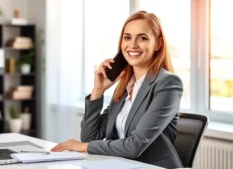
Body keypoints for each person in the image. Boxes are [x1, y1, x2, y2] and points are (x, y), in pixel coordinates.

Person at [51, 11, 183, 168]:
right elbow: (90, 137)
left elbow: (134, 146)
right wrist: (98, 90)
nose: (133, 45)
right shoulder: (125, 86)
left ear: (158, 44)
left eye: (142, 38)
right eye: (127, 37)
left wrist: (82, 147)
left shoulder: (168, 84)